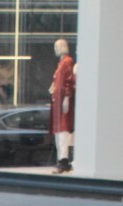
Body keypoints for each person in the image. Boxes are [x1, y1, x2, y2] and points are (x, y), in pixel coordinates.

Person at [49, 39, 76, 173]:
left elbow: (69, 81)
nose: (57, 49)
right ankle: (62, 159)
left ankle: (64, 160)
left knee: (63, 131)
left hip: (63, 102)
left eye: (59, 46)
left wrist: (66, 97)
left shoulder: (67, 62)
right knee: (60, 131)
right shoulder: (61, 64)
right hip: (58, 102)